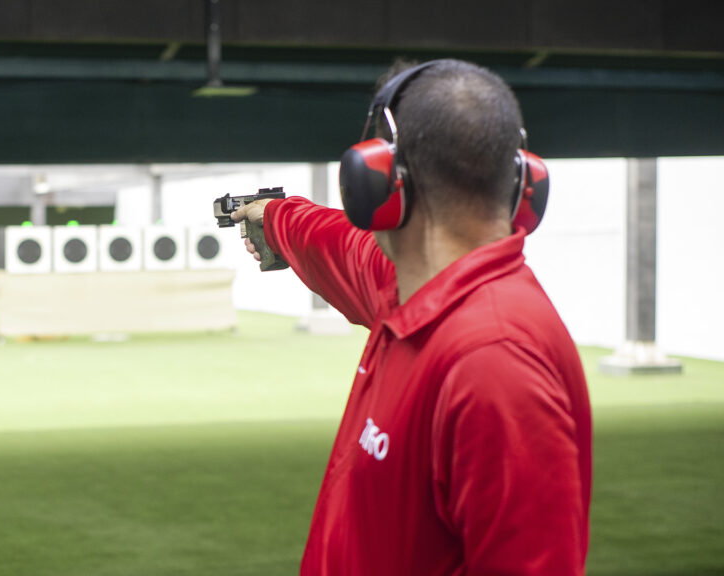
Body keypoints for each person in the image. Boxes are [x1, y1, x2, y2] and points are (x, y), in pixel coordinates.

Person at [231, 59, 591, 575]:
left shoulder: (494, 362)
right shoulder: (408, 289)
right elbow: (332, 242)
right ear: (522, 181)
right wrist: (273, 215)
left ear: (377, 182)